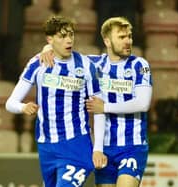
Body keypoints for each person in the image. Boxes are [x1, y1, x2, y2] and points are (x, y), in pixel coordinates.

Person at [41, 17, 152, 187]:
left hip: (132, 146)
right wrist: (47, 48)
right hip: (103, 148)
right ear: (107, 41)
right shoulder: (94, 64)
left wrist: (105, 107)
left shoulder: (140, 65)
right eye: (121, 37)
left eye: (129, 36)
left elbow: (143, 103)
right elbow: (64, 50)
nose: (128, 41)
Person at [5, 16, 107, 187]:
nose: (69, 40)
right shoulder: (38, 64)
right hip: (47, 146)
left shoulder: (86, 65)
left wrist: (98, 148)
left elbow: (99, 109)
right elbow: (10, 103)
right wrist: (24, 107)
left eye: (71, 35)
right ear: (50, 39)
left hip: (76, 144)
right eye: (62, 36)